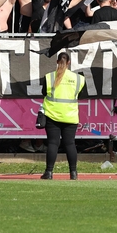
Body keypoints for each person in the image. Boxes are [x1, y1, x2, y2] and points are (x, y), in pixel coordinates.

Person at [40, 52, 86, 180]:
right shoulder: (78, 78)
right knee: (70, 144)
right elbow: (81, 95)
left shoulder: (49, 77)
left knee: (53, 143)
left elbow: (44, 92)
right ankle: (73, 173)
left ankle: (49, 172)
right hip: (70, 115)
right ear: (69, 63)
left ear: (57, 62)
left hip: (52, 114)